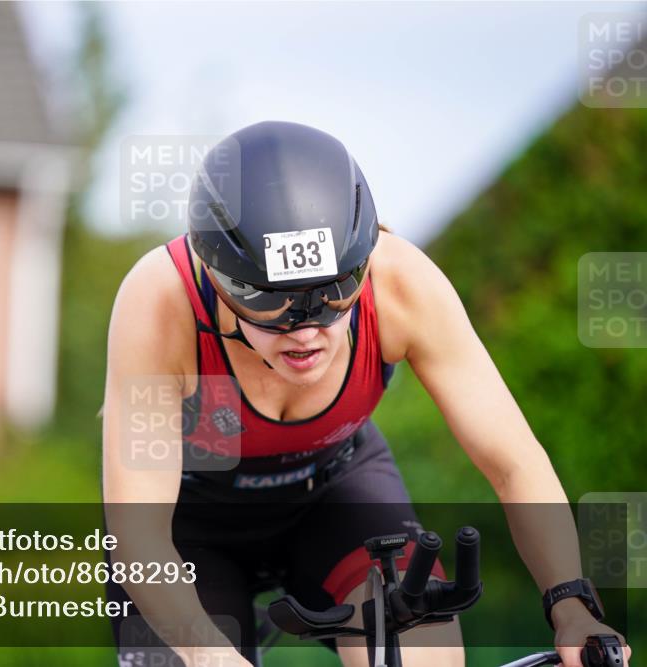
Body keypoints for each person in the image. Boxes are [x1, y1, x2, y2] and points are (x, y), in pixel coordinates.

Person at [101, 121, 631, 667]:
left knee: (424, 651)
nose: (305, 329)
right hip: (189, 524)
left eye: (333, 295)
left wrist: (571, 603)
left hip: (335, 490)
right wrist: (208, 654)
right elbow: (138, 533)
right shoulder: (160, 302)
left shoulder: (400, 283)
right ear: (218, 280)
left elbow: (514, 462)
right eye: (271, 303)